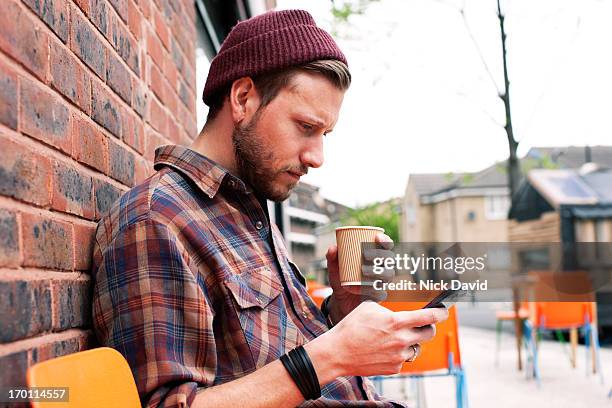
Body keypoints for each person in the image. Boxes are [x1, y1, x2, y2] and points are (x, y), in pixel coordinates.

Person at [91, 9, 448, 408]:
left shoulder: (247, 211)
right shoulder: (156, 220)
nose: (317, 157)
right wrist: (334, 354)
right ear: (243, 98)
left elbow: (278, 355)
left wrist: (342, 309)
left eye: (324, 134)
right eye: (305, 127)